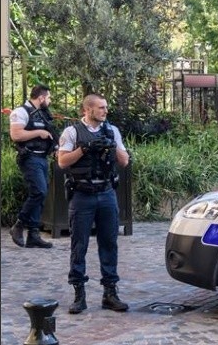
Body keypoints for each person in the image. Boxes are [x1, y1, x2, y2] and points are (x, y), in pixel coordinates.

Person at [57, 93, 130, 314]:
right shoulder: (71, 132)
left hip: (106, 192)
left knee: (109, 243)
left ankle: (110, 293)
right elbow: (61, 162)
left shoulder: (112, 130)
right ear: (87, 110)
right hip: (82, 195)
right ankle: (79, 294)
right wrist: (84, 149)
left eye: (105, 107)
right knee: (79, 245)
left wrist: (111, 144)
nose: (105, 111)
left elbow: (124, 161)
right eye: (101, 107)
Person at [8, 84, 59, 248]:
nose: (50, 101)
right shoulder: (20, 112)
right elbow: (16, 135)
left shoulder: (43, 114)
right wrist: (38, 133)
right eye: (49, 97)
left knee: (41, 195)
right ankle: (19, 225)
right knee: (39, 191)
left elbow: (50, 134)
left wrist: (55, 148)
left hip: (42, 158)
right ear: (41, 98)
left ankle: (33, 236)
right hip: (29, 157)